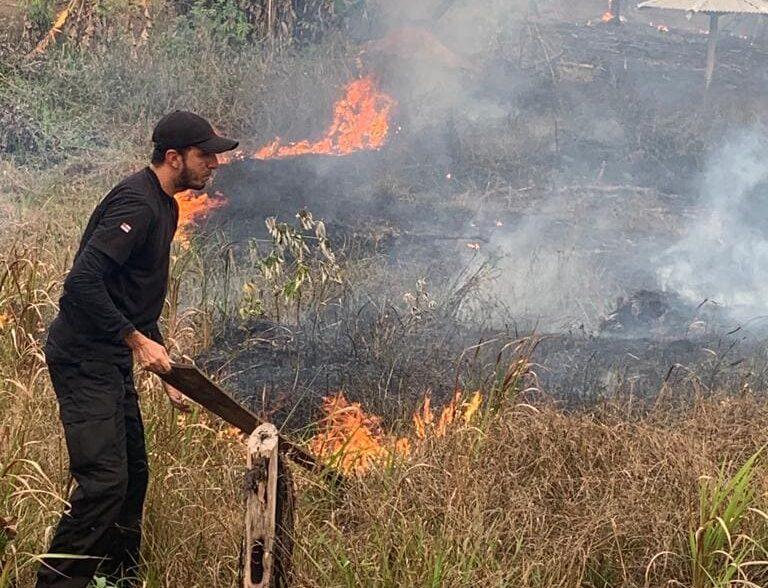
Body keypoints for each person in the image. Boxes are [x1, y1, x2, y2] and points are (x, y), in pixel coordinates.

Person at [37, 111, 238, 588]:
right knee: (104, 483)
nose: (214, 163)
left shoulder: (166, 206)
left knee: (133, 477)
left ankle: (118, 579)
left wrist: (163, 363)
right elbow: (81, 282)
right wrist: (134, 340)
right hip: (83, 357)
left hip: (109, 358)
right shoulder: (137, 204)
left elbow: (133, 294)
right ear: (174, 157)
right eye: (204, 154)